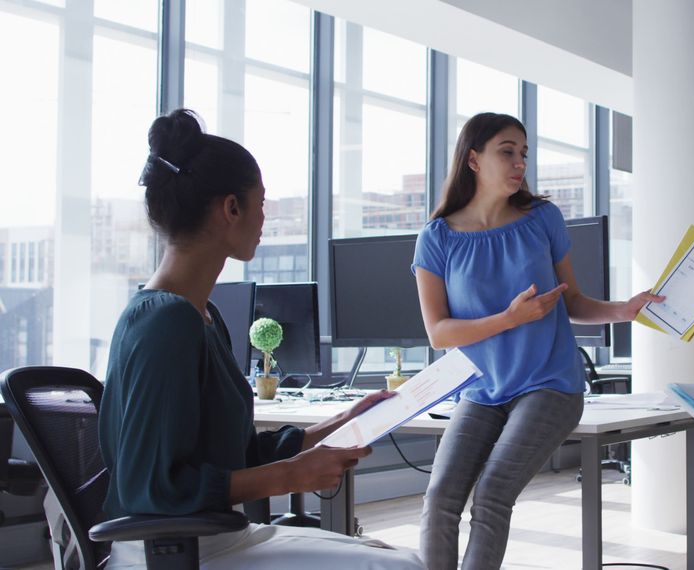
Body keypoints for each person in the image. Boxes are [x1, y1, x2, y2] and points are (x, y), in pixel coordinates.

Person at [97, 109, 423, 569]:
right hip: (170, 549)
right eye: (262, 203)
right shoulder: (165, 324)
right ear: (231, 208)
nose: (265, 218)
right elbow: (149, 488)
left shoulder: (201, 316)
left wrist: (338, 424)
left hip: (216, 536)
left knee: (397, 558)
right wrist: (290, 475)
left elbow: (234, 454)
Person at [412, 112, 662, 570]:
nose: (519, 162)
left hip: (548, 384)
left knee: (491, 495)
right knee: (440, 499)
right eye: (506, 151)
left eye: (523, 153)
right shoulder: (437, 237)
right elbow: (438, 331)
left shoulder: (542, 218)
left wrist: (622, 310)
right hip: (481, 391)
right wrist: (509, 319)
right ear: (473, 159)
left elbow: (572, 301)